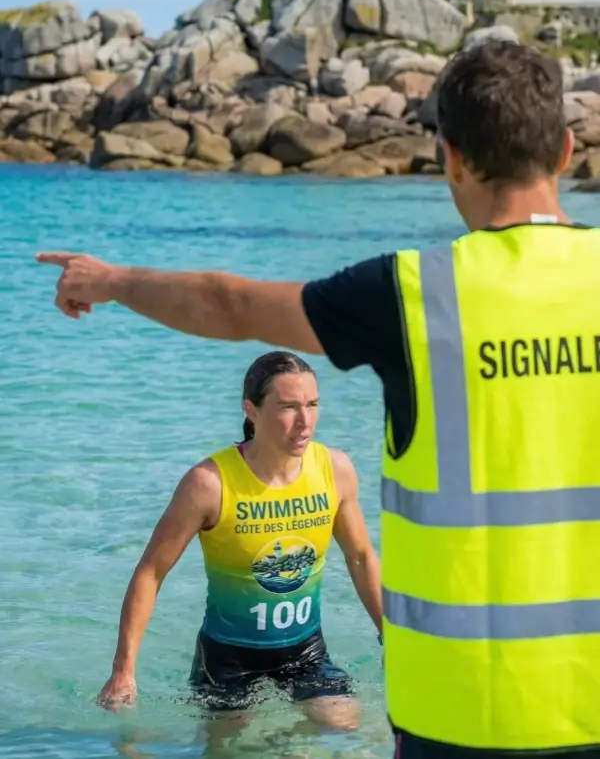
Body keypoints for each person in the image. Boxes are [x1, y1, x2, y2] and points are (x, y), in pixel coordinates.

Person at [37, 39, 600, 759]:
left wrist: (111, 281)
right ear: (565, 150)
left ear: (451, 157)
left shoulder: (414, 294)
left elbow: (233, 306)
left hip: (461, 710)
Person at [97, 350, 382, 735]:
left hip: (305, 650)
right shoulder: (209, 484)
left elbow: (361, 556)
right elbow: (151, 572)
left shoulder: (335, 469)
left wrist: (391, 635)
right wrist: (123, 671)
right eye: (289, 407)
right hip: (228, 658)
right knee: (230, 746)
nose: (305, 422)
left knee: (343, 723)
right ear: (251, 410)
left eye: (313, 405)